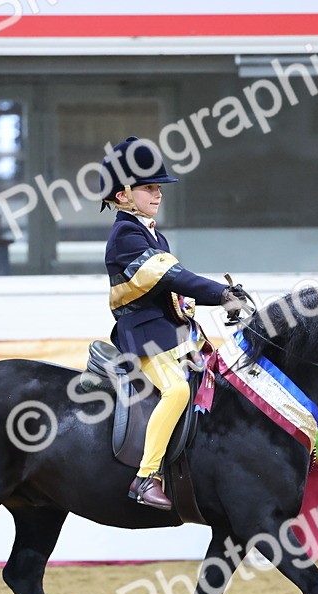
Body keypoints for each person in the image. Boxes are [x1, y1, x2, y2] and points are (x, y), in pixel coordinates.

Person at [99, 136, 248, 510]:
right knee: (178, 390)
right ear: (122, 196)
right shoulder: (125, 236)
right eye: (149, 188)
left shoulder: (152, 232)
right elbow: (175, 278)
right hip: (148, 339)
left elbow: (175, 286)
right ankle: (146, 476)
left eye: (158, 187)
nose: (158, 194)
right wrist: (221, 294)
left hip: (175, 333)